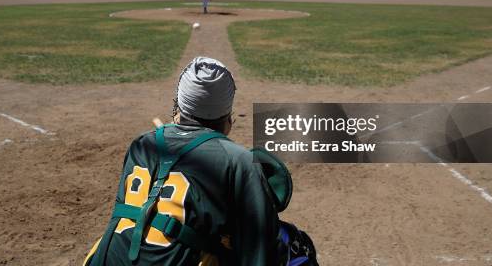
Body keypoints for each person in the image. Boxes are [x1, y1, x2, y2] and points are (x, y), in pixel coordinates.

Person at [83, 57, 318, 266]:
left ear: (178, 107)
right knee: (291, 246)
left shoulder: (142, 144)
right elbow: (258, 251)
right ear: (228, 117)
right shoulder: (240, 161)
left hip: (106, 258)